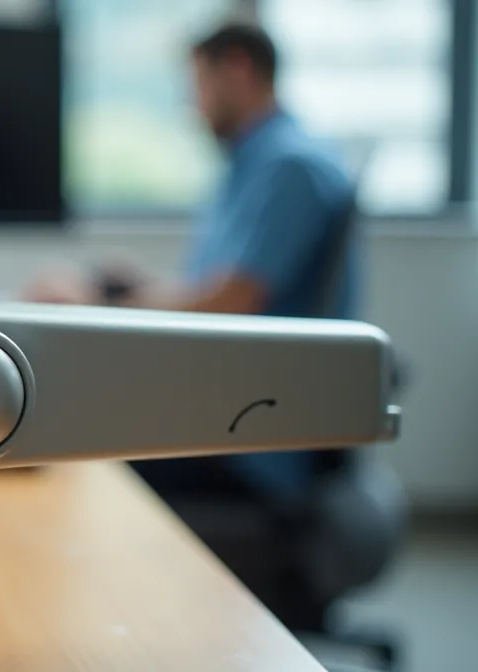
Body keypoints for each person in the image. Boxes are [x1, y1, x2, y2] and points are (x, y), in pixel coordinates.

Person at [24, 22, 358, 502]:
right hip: (229, 409)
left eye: (198, 84)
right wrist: (133, 286)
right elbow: (212, 292)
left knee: (75, 442)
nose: (191, 104)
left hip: (253, 437)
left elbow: (228, 304)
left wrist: (104, 304)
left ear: (238, 69)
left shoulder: (290, 168)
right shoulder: (255, 163)